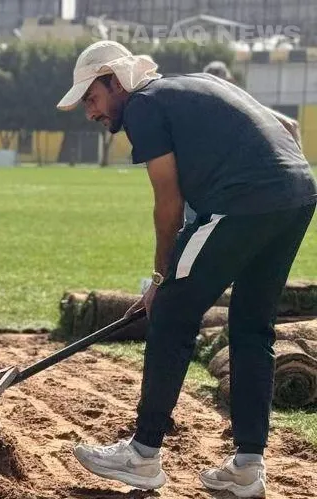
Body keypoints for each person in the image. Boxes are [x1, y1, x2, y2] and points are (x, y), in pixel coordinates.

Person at [57, 40, 316, 497]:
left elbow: (169, 206)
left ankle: (142, 454)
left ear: (116, 82)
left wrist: (162, 280)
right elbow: (288, 126)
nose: (90, 113)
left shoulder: (143, 106)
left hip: (245, 200)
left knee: (173, 315)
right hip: (297, 193)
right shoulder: (200, 83)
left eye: (92, 99)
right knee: (253, 328)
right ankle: (247, 467)